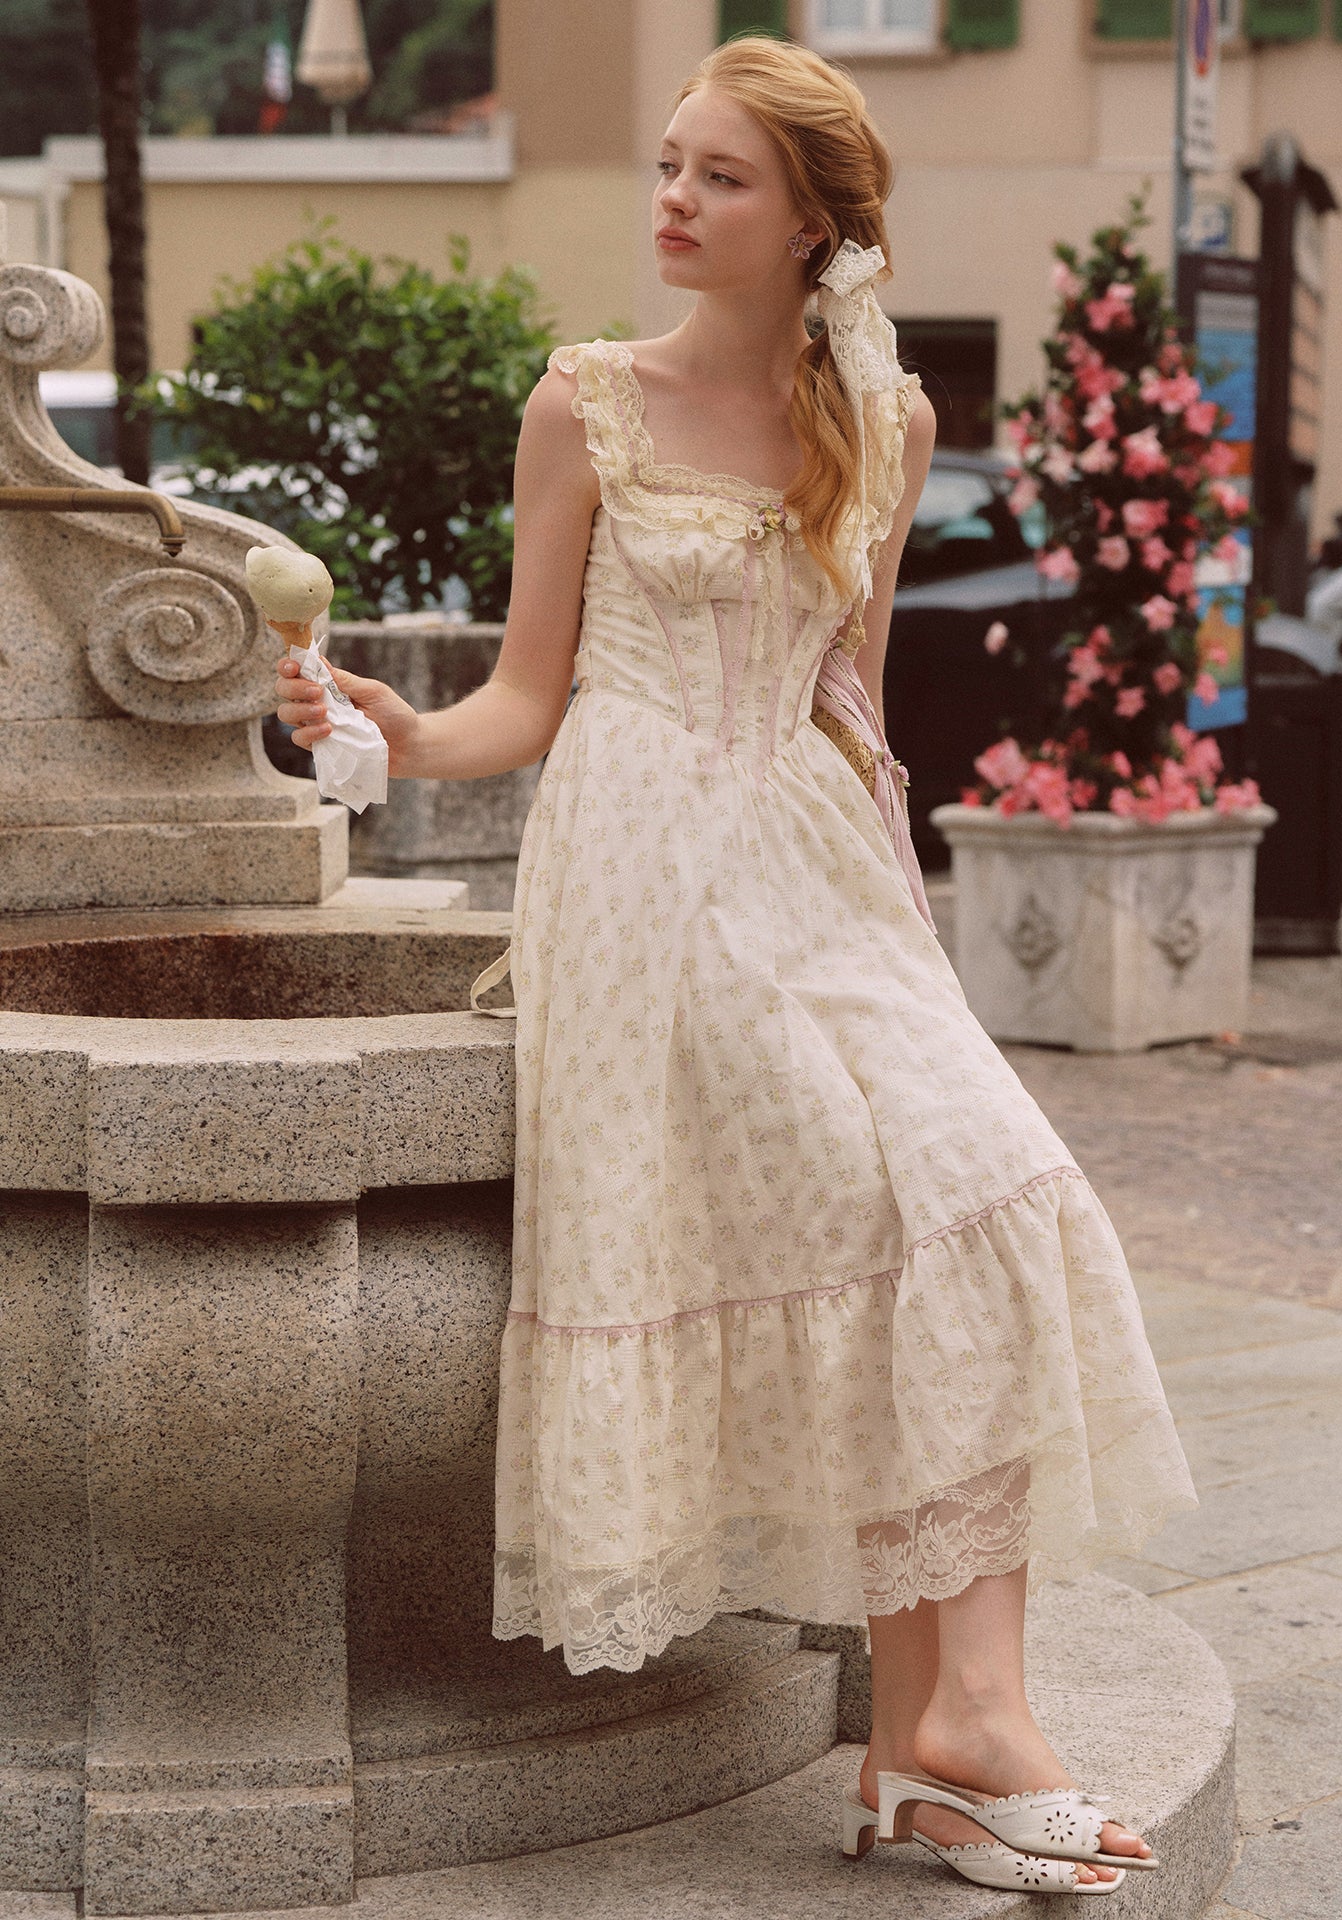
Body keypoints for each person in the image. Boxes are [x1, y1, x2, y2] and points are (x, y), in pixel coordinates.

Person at [274, 35, 1196, 1896]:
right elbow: (526, 697)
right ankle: (956, 1738)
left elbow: (856, 697)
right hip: (640, 879)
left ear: (811, 225)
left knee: (991, 1188)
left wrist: (904, 942)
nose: (677, 200)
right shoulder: (586, 403)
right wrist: (401, 734)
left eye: (723, 176)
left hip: (819, 861)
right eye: (672, 164)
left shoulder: (888, 423)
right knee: (877, 1202)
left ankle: (946, 1737)